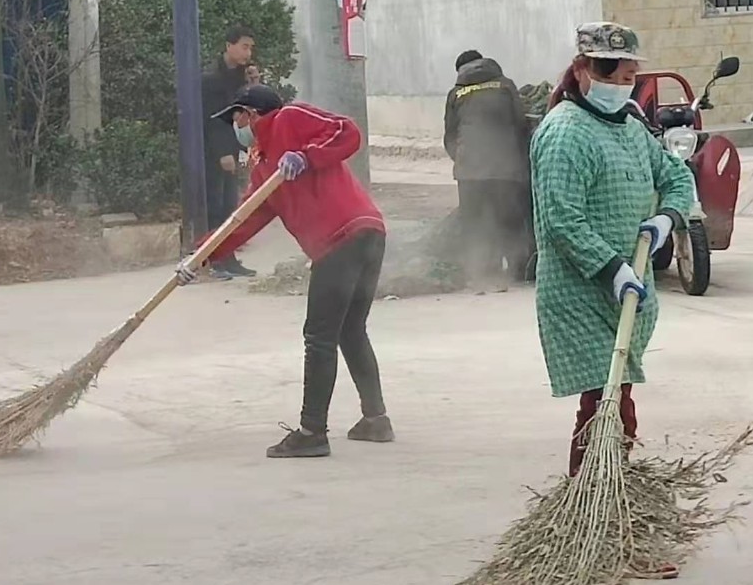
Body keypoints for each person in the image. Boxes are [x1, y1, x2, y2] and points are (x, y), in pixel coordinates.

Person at [528, 21, 693, 514]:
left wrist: (667, 217)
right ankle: (594, 507)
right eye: (609, 73)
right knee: (607, 407)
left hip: (627, 289)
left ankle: (604, 503)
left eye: (628, 77)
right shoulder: (563, 133)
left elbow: (677, 174)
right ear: (581, 70)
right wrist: (611, 268)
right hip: (580, 291)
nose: (619, 85)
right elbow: (562, 218)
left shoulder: (630, 126)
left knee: (613, 399)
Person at [176, 85, 394, 459]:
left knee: (319, 336)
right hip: (362, 237)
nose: (235, 126)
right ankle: (375, 420)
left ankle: (312, 432)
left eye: (236, 117)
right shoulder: (264, 171)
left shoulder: (289, 119)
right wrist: (201, 256)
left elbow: (347, 131)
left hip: (347, 235)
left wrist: (307, 155)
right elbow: (242, 222)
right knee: (349, 330)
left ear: (252, 113)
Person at [443, 49, 533, 289]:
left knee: (474, 222)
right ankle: (517, 271)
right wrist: (517, 158)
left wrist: (463, 159)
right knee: (509, 220)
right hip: (506, 168)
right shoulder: (505, 86)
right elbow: (520, 123)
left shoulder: (456, 93)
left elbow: (450, 134)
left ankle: (480, 272)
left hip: (469, 171)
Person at [200, 23, 258, 279]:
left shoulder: (240, 76)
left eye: (250, 48)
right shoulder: (212, 78)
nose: (248, 53)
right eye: (244, 47)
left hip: (234, 148)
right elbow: (215, 119)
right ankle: (213, 259)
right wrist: (223, 152)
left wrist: (254, 84)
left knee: (230, 206)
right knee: (216, 204)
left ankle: (229, 257)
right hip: (215, 151)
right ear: (229, 46)